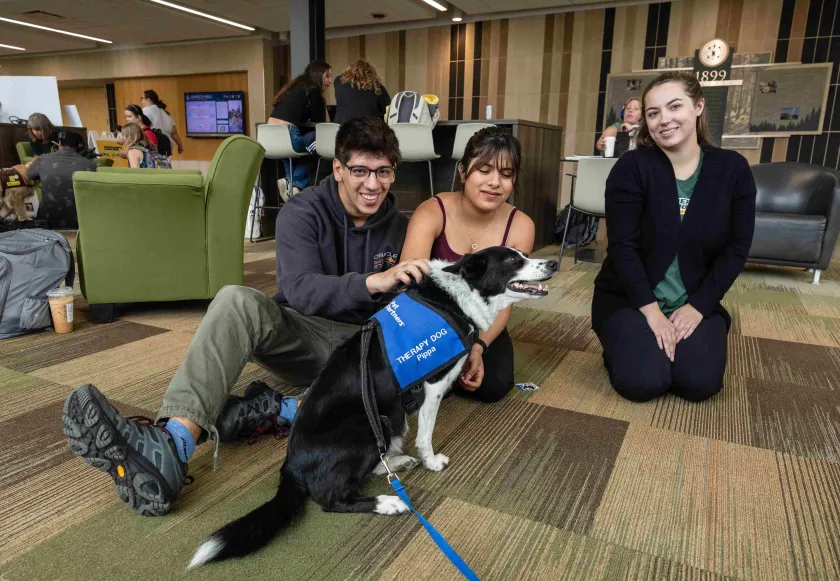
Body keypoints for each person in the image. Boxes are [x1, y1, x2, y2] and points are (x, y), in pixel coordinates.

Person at [62, 117, 431, 516]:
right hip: (303, 333)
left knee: (410, 385)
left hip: (361, 353)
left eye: (383, 172)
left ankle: (277, 410)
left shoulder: (404, 228)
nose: (373, 185)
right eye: (360, 170)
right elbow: (302, 290)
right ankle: (173, 444)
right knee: (235, 299)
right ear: (339, 168)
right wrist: (372, 282)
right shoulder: (302, 212)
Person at [592, 71, 756, 403]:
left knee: (698, 384)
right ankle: (619, 344)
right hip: (631, 300)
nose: (664, 120)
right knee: (643, 382)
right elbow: (622, 247)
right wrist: (652, 313)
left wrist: (699, 307)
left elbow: (737, 248)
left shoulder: (733, 169)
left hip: (694, 300)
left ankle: (669, 344)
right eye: (653, 113)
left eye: (674, 106)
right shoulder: (632, 167)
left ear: (697, 107)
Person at [399, 127, 535, 403]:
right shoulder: (433, 210)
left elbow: (503, 301)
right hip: (431, 317)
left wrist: (476, 348)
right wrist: (446, 345)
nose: (495, 182)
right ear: (463, 172)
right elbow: (410, 287)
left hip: (482, 318)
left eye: (506, 174)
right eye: (484, 170)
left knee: (494, 386)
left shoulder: (520, 226)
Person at [268, 60, 332, 198]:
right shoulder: (313, 90)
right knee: (321, 146)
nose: (330, 81)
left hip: (269, 137)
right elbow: (319, 124)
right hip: (289, 135)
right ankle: (294, 183)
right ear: (318, 74)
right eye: (327, 76)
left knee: (290, 154)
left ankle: (290, 186)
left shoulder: (296, 85)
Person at [24, 131, 97, 229]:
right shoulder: (90, 165)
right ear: (79, 146)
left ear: (59, 143)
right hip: (80, 220)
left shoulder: (43, 159)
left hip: (48, 220)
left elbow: (28, 175)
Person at [333, 60, 391, 125]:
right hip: (369, 129)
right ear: (370, 73)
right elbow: (387, 108)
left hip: (342, 129)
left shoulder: (338, 82)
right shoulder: (377, 87)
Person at [141, 89, 184, 155]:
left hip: (154, 144)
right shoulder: (167, 113)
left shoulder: (147, 110)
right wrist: (180, 145)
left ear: (149, 99)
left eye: (142, 98)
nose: (141, 100)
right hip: (168, 146)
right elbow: (174, 132)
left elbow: (141, 127)